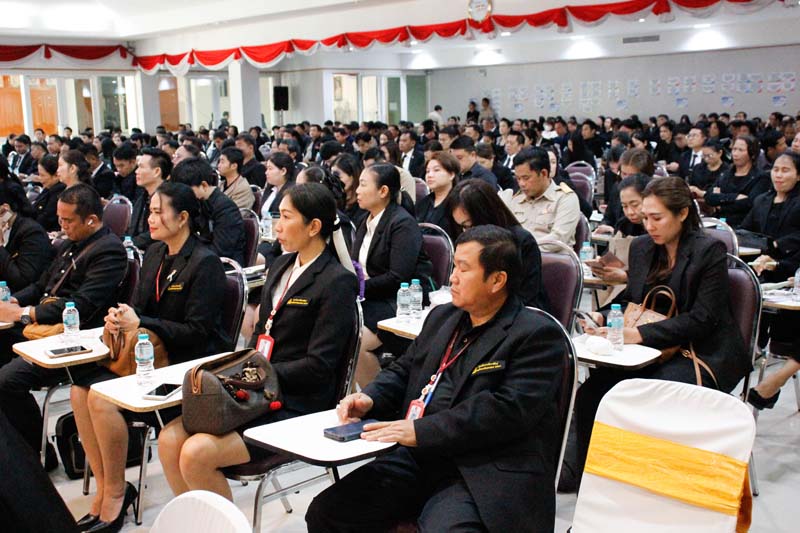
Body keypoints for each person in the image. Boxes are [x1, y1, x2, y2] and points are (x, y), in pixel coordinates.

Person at [307, 225, 564, 532]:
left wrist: (420, 430)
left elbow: (505, 412)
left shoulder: (536, 334)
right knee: (326, 512)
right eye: (453, 266)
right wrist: (370, 397)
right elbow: (404, 369)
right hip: (420, 455)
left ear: (497, 280)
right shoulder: (443, 317)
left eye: (464, 269)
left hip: (480, 468)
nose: (452, 277)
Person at [158, 183, 358, 500]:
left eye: (287, 217)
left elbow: (319, 367)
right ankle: (195, 520)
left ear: (314, 227)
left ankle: (221, 523)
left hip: (298, 401)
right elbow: (259, 337)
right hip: (257, 390)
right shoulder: (281, 265)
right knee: (169, 440)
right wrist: (240, 372)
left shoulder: (337, 281)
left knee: (197, 453)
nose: (277, 226)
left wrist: (258, 374)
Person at [71, 182, 229, 533]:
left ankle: (116, 495)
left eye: (159, 212)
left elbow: (197, 332)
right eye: (151, 211)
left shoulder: (205, 262)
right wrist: (121, 317)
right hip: (149, 357)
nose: (151, 219)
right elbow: (140, 308)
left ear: (183, 217)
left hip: (187, 363)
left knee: (99, 398)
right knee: (79, 391)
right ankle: (105, 488)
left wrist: (142, 322)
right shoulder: (156, 253)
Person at [575, 177, 749, 481]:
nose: (649, 226)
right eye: (645, 218)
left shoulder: (709, 250)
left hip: (700, 350)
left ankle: (650, 480)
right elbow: (632, 300)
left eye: (657, 218)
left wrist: (640, 335)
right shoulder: (642, 247)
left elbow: (703, 319)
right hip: (651, 348)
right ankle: (592, 479)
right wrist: (601, 317)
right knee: (592, 392)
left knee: (649, 394)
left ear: (682, 213)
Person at [0, 184, 127, 463]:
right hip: (46, 327)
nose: (61, 226)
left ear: (91, 220)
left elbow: (80, 305)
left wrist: (23, 313)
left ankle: (35, 456)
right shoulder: (70, 243)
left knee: (7, 381)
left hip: (77, 338)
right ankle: (12, 448)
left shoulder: (109, 251)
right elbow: (41, 286)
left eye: (68, 220)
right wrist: (12, 304)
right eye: (59, 218)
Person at [351, 164, 432, 386]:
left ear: (383, 191)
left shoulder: (402, 223)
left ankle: (376, 397)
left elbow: (398, 277)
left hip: (400, 299)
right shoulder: (365, 220)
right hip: (370, 296)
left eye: (363, 185)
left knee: (356, 341)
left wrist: (358, 288)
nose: (357, 190)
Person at [743, 152, 800, 409]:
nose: (778, 175)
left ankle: (777, 378)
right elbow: (745, 232)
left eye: (785, 170)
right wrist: (766, 252)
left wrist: (776, 253)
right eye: (776, 169)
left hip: (790, 270)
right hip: (763, 271)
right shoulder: (762, 200)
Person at [447, 179, 549, 311]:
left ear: (485, 215)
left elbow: (525, 296)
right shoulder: (466, 241)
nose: (465, 232)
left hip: (516, 314)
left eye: (468, 226)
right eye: (461, 226)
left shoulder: (521, 242)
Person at [170, 158, 246, 266]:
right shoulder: (197, 203)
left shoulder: (226, 208)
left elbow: (221, 250)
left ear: (204, 186)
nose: (183, 196)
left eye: (188, 191)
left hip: (222, 266)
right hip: (199, 259)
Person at [503, 147, 580, 253]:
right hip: (516, 258)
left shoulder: (565, 199)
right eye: (518, 178)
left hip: (550, 260)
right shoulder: (514, 198)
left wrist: (521, 250)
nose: (521, 184)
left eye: (526, 178)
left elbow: (557, 240)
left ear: (544, 173)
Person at [699, 135, 771, 228]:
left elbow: (749, 203)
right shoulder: (726, 174)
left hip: (743, 225)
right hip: (721, 221)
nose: (735, 153)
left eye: (740, 150)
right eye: (734, 149)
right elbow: (709, 197)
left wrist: (721, 204)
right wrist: (734, 197)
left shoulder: (760, 177)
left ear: (752, 153)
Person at [0, 180, 52, 292]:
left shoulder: (32, 233)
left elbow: (22, 281)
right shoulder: (5, 228)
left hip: (16, 295)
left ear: (5, 209)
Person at [127, 148, 172, 251]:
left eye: (141, 167)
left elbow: (159, 233)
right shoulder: (143, 197)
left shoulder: (169, 198)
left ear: (157, 171)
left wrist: (130, 243)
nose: (136, 171)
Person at [415, 152, 458, 240]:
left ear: (451, 175)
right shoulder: (423, 203)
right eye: (427, 171)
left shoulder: (458, 202)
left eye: (436, 170)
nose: (430, 175)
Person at [32, 154, 66, 232]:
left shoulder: (59, 192)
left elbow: (46, 219)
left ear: (56, 176)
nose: (40, 179)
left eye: (42, 175)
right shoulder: (48, 187)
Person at [332, 153, 366, 227]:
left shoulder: (364, 206)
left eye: (337, 177)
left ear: (353, 176)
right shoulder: (333, 200)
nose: (334, 181)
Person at [260, 152, 296, 217]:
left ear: (283, 171)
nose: (266, 172)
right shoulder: (269, 188)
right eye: (266, 169)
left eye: (270, 169)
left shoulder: (292, 192)